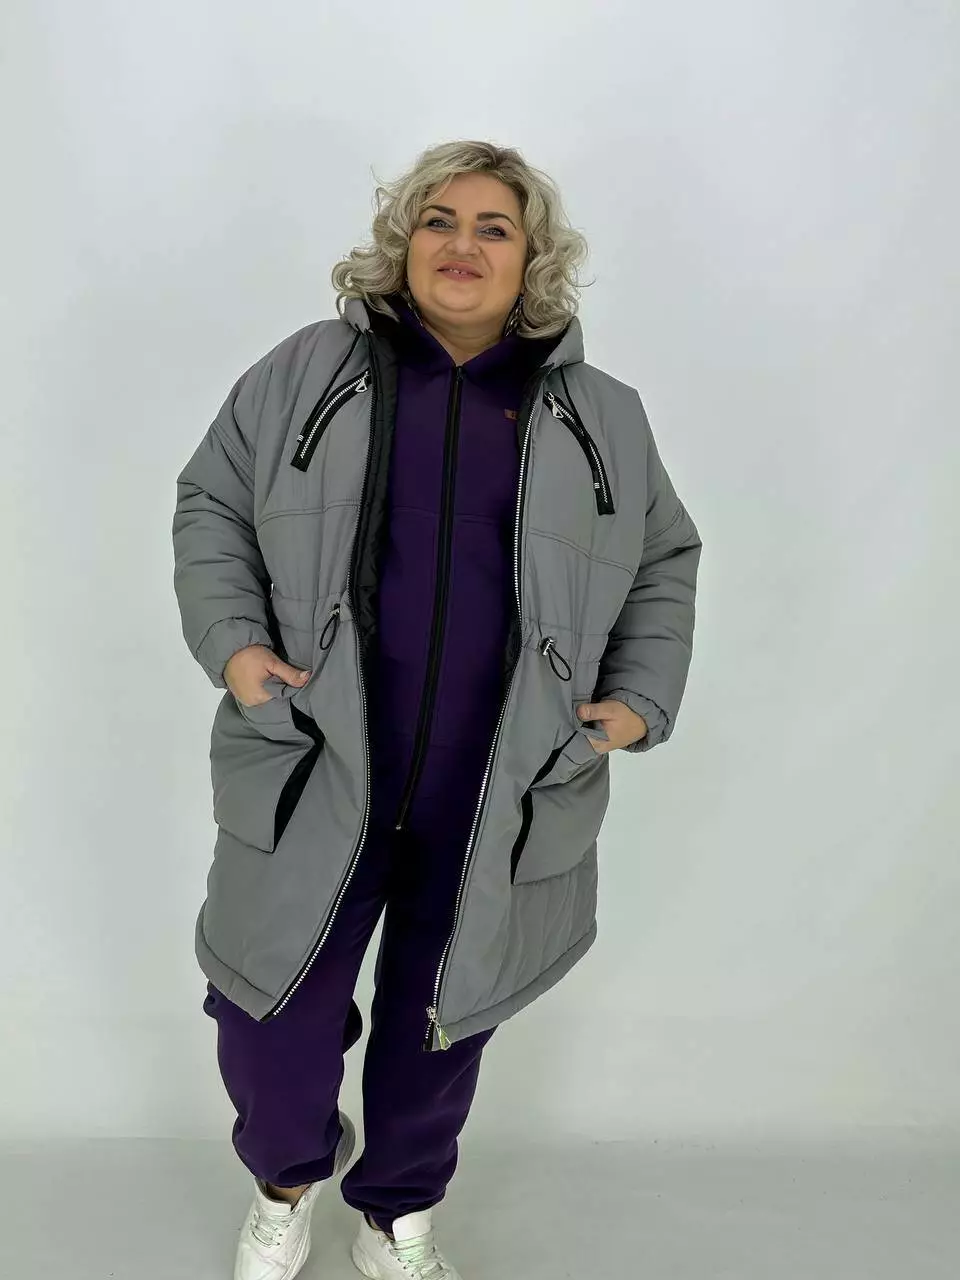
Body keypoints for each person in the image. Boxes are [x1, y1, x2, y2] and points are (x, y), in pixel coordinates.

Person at [172, 138, 702, 1280]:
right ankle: (284, 1182)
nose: (462, 244)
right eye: (439, 221)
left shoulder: (602, 414)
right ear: (403, 242)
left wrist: (636, 701)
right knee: (269, 1011)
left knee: (442, 1016)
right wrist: (237, 647)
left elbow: (666, 556)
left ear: (532, 258)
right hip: (316, 758)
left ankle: (396, 1215)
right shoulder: (309, 370)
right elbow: (212, 496)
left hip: (500, 779)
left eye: (493, 227)